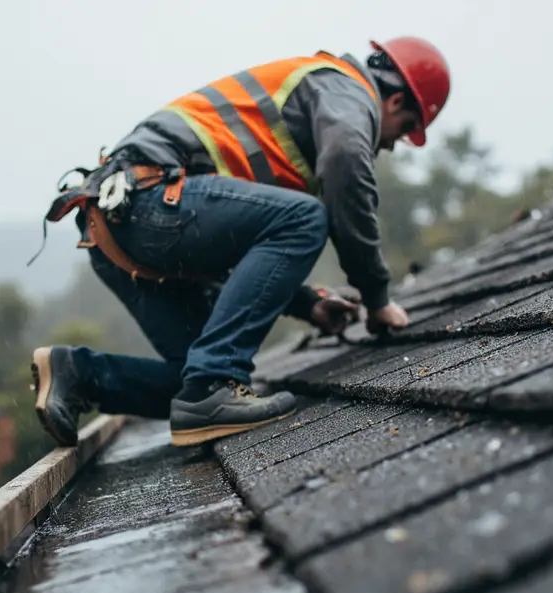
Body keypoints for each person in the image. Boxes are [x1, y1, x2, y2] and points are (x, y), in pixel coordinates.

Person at [30, 36, 451, 447]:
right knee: (305, 219)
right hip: (149, 200)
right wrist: (377, 297)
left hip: (115, 226)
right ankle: (215, 382)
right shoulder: (345, 88)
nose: (393, 144)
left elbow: (229, 248)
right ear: (396, 102)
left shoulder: (303, 119)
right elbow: (344, 162)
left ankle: (78, 373)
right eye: (406, 129)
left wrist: (307, 304)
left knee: (190, 379)